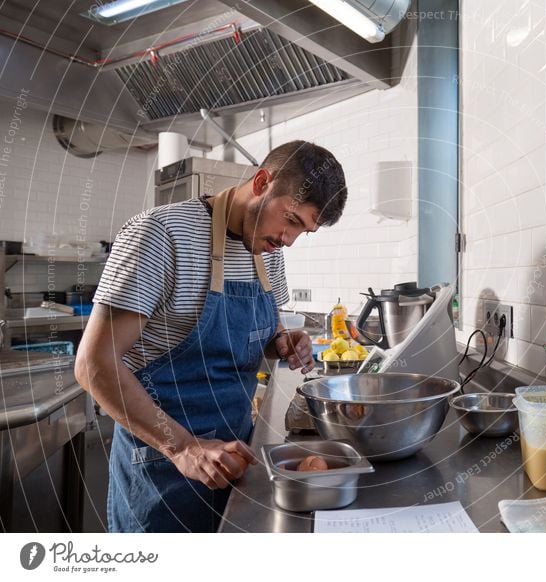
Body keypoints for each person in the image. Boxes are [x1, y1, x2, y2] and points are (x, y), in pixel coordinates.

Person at [75, 140, 348, 532]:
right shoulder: (161, 234)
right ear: (261, 183)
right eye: (290, 219)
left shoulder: (269, 249)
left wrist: (281, 343)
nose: (289, 239)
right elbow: (93, 365)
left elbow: (264, 330)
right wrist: (183, 446)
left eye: (303, 230)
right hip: (162, 472)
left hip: (234, 460)